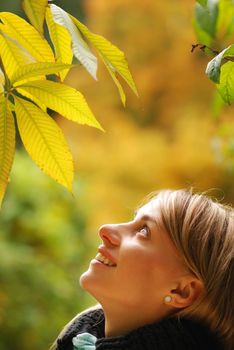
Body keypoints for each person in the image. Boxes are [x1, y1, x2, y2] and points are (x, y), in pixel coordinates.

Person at [50, 189, 234, 350]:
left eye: (144, 231)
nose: (105, 230)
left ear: (181, 291)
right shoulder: (73, 340)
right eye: (133, 220)